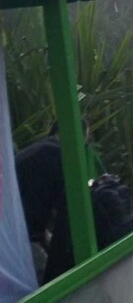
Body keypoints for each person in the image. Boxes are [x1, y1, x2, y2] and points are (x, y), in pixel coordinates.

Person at [15, 121, 87, 283]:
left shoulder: (35, 151)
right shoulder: (63, 158)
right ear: (79, 137)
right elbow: (68, 214)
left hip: (12, 235)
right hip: (24, 241)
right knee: (50, 287)